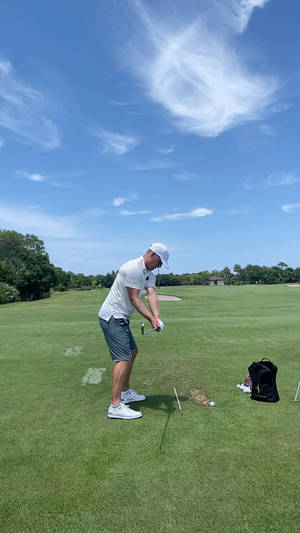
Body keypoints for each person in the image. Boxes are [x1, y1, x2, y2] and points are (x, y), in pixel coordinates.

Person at [98, 243, 169, 419]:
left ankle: (125, 392)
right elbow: (134, 299)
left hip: (121, 317)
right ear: (152, 255)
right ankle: (115, 406)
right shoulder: (132, 268)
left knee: (132, 351)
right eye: (160, 261)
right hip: (112, 316)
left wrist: (157, 317)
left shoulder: (148, 274)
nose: (160, 266)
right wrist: (151, 320)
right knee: (123, 358)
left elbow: (151, 294)